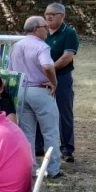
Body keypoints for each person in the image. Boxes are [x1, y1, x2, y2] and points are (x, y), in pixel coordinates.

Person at [8, 16, 62, 178]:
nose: (47, 29)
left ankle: (29, 168)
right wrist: (54, 82)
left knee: (27, 133)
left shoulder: (16, 46)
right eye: (44, 27)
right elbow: (47, 66)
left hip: (21, 91)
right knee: (50, 132)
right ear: (35, 29)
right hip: (39, 90)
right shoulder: (41, 46)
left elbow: (11, 70)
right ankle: (53, 169)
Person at [44, 2, 79, 162]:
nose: (48, 17)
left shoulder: (69, 32)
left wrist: (50, 70)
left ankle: (67, 149)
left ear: (62, 16)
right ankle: (39, 146)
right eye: (46, 14)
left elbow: (67, 57)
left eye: (53, 14)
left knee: (64, 113)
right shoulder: (42, 32)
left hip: (62, 78)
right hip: (41, 78)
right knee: (41, 112)